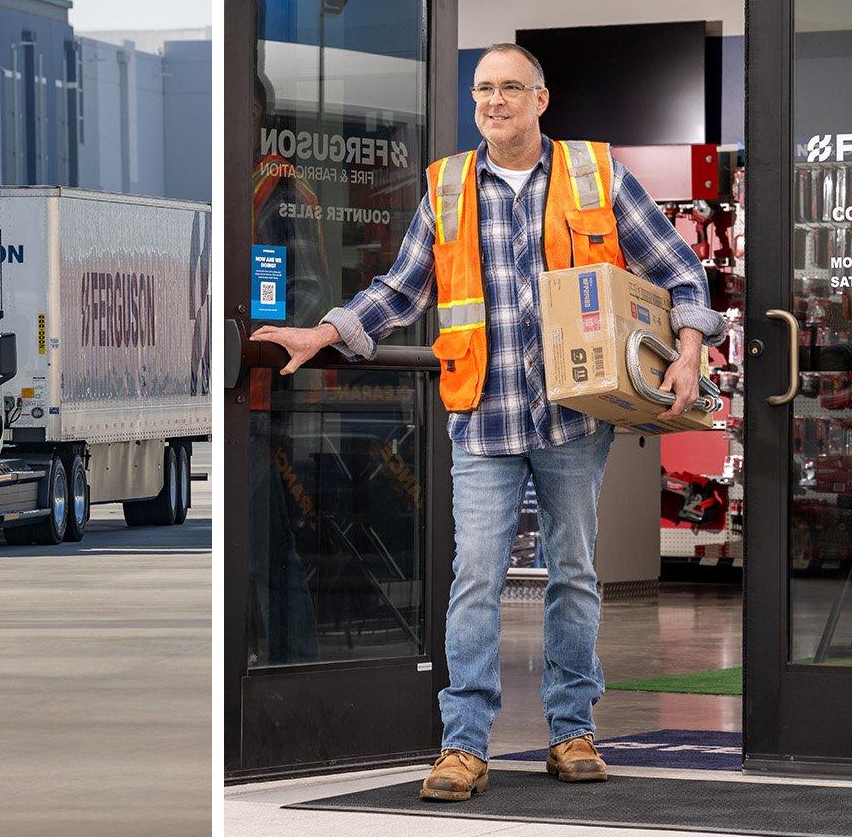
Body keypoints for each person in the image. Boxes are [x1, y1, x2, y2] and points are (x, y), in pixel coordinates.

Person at [251, 42, 721, 802]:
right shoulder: (446, 186)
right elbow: (399, 290)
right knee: (476, 578)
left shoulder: (595, 175)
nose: (494, 101)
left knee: (574, 574)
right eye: (482, 90)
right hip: (482, 418)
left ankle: (572, 732)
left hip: (574, 418)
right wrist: (323, 331)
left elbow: (680, 270)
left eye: (510, 88)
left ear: (541, 100)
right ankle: (464, 745)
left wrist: (689, 351)